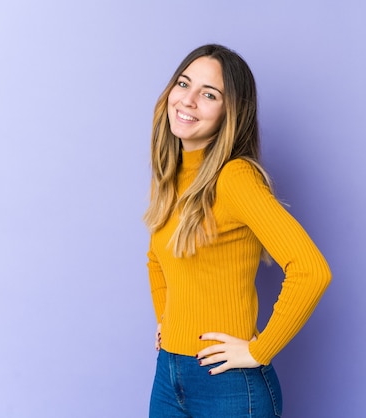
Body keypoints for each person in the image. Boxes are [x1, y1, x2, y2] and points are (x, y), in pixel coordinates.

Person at [144, 44, 331, 418]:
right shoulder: (172, 176)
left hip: (228, 386)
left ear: (230, 113)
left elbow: (312, 270)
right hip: (169, 376)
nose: (189, 100)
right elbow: (156, 259)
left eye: (209, 94)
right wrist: (168, 322)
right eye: (184, 84)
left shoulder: (235, 178)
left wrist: (257, 351)